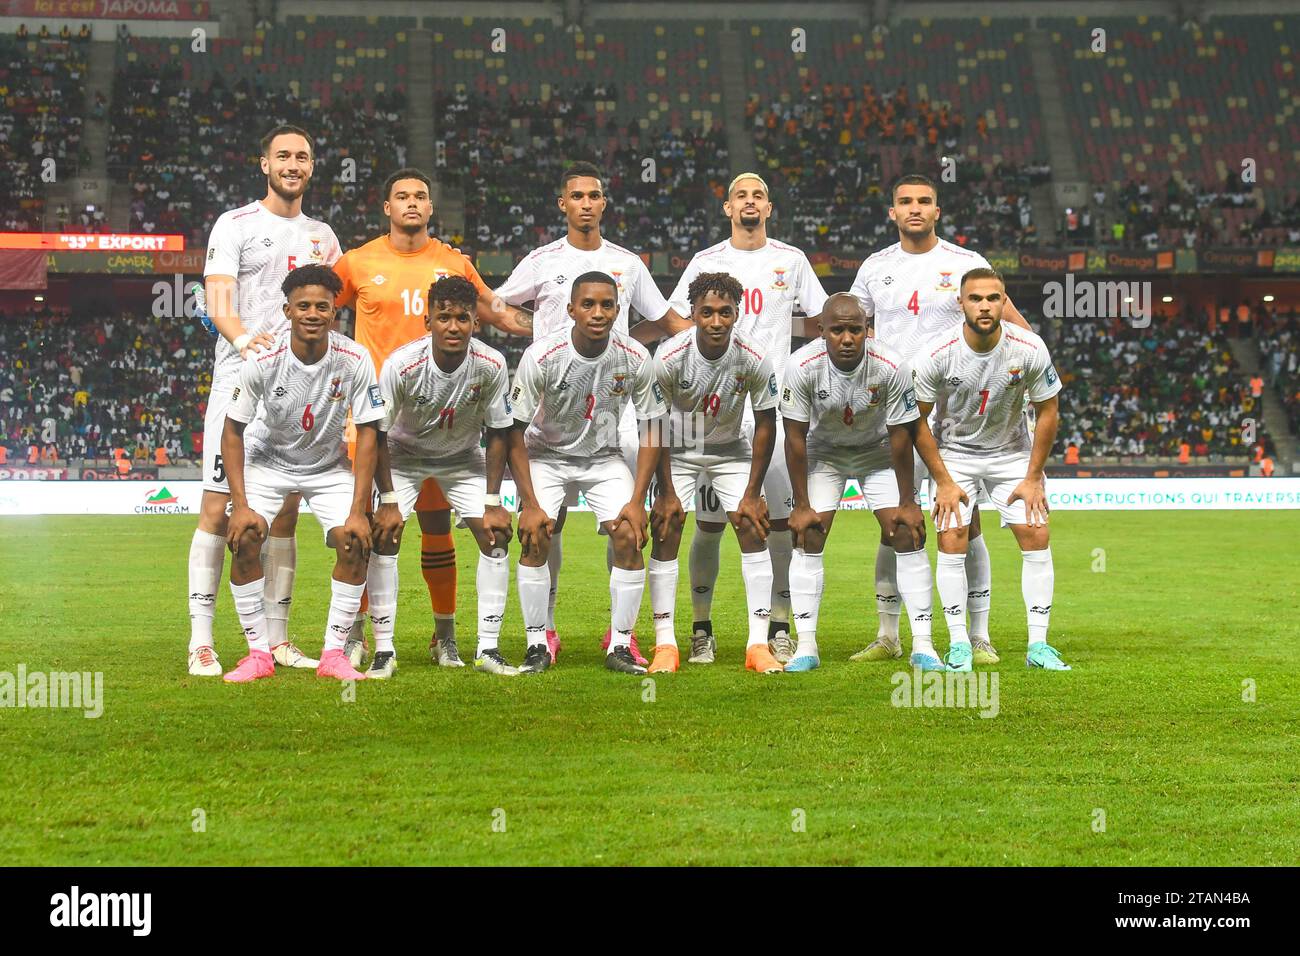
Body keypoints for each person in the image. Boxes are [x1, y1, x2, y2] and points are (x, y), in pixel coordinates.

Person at [334, 167, 532, 669]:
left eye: (421, 196)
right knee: (368, 528)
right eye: (402, 196)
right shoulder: (357, 263)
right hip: (379, 423)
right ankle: (358, 634)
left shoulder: (452, 263)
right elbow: (314, 311)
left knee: (437, 529)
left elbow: (496, 310)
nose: (412, 203)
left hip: (444, 423)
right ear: (387, 207)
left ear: (430, 206)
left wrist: (558, 322)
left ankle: (444, 636)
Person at [493, 162, 689, 666]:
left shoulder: (627, 264)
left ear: (604, 203)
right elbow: (496, 307)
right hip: (549, 423)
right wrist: (537, 334)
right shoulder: (540, 262)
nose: (585, 202)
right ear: (563, 204)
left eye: (594, 195)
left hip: (611, 422)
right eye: (576, 195)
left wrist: (719, 341)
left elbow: (665, 320)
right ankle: (543, 637)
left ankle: (620, 640)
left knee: (627, 526)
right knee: (541, 524)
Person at [849, 173, 1035, 666]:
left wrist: (1031, 377)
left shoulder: (966, 264)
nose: (915, 208)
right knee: (896, 521)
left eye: (924, 201)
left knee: (965, 523)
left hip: (952, 416)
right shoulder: (874, 266)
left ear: (938, 210)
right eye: (905, 201)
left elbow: (1014, 323)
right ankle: (889, 635)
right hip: (888, 410)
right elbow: (851, 327)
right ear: (892, 212)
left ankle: (978, 635)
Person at [189, 124, 341, 677]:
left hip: (298, 389)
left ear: (311, 166)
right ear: (265, 164)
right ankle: (201, 641)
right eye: (283, 156)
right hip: (239, 380)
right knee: (215, 509)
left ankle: (276, 641)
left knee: (285, 513)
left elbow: (329, 309)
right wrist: (243, 340)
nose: (293, 164)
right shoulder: (236, 225)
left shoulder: (324, 236)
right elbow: (219, 299)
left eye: (302, 156)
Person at [665, 173, 828, 665]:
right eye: (741, 196)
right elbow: (677, 317)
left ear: (769, 207)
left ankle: (778, 627)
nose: (750, 202)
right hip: (714, 415)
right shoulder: (707, 262)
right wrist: (704, 358)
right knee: (710, 525)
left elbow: (822, 319)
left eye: (758, 195)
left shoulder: (791, 259)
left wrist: (798, 364)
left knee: (775, 524)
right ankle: (701, 628)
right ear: (727, 208)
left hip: (769, 414)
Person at [369, 276, 546, 678]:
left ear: (475, 323)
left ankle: (487, 649)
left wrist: (492, 501)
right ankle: (384, 650)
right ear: (427, 320)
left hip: (463, 457)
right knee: (384, 534)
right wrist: (389, 500)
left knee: (496, 533)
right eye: (444, 317)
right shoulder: (401, 363)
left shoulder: (491, 364)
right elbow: (377, 433)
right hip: (404, 455)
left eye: (462, 318)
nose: (453, 326)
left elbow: (499, 432)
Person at [220, 265, 381, 683]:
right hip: (268, 462)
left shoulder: (354, 358)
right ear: (287, 310)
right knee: (246, 534)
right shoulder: (262, 360)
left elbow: (368, 433)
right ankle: (258, 654)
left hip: (328, 467)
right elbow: (232, 430)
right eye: (304, 305)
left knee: (354, 540)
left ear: (334, 313)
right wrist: (238, 506)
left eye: (322, 306)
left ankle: (333, 655)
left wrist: (360, 508)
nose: (313, 313)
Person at [508, 272, 667, 675]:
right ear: (571, 310)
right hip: (545, 454)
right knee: (534, 533)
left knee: (630, 535)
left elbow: (653, 428)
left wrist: (638, 500)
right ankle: (537, 643)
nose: (598, 313)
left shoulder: (633, 357)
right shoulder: (543, 355)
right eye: (589, 304)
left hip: (604, 458)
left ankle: (620, 645)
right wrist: (527, 502)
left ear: (618, 310)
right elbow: (512, 431)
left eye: (607, 305)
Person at [912, 267, 1070, 671]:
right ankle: (960, 644)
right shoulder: (937, 353)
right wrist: (943, 481)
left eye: (993, 298)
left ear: (1004, 302)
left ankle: (1038, 646)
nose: (985, 306)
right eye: (976, 298)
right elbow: (917, 420)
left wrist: (1034, 478)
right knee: (952, 539)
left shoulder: (1029, 347)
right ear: (960, 303)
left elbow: (1049, 409)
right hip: (956, 455)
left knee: (1036, 534)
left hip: (1012, 454)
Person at [782, 293, 935, 670]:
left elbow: (903, 434)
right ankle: (806, 647)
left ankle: (923, 645)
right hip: (825, 453)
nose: (847, 338)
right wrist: (801, 505)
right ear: (821, 332)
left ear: (868, 329)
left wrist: (908, 500)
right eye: (837, 330)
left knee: (905, 532)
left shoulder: (891, 365)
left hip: (877, 450)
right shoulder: (801, 366)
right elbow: (795, 438)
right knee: (810, 533)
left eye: (855, 329)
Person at [647, 272, 782, 674]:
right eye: (707, 312)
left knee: (752, 525)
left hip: (730, 450)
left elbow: (765, 423)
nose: (716, 321)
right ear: (693, 313)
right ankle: (665, 644)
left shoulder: (754, 356)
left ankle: (757, 645)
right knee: (667, 527)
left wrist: (752, 492)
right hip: (681, 450)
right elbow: (653, 423)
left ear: (737, 313)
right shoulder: (670, 355)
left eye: (725, 312)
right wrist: (667, 491)